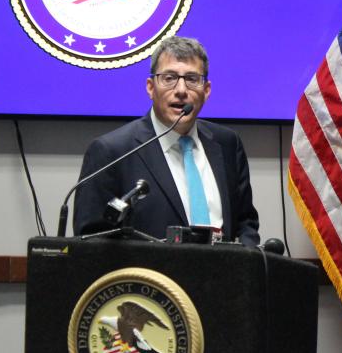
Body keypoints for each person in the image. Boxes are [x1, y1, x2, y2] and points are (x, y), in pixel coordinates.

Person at [73, 36, 260, 245]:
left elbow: (246, 222)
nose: (181, 90)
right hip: (149, 277)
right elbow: (91, 240)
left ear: (206, 90)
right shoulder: (112, 152)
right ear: (151, 87)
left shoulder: (227, 144)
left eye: (191, 79)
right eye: (169, 78)